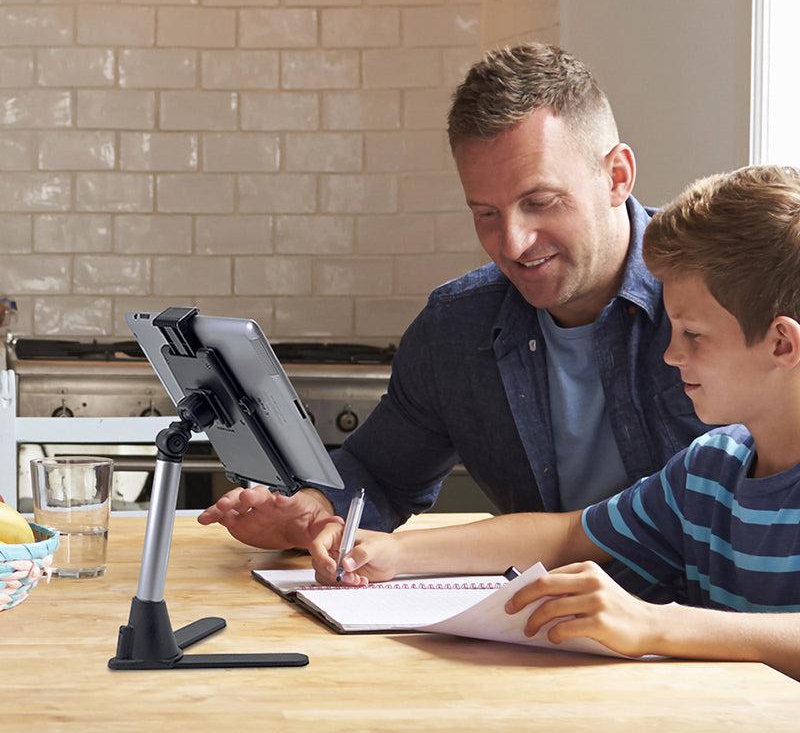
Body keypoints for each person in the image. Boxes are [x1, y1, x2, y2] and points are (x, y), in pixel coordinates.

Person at [198, 42, 710, 552]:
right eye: (486, 213)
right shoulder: (455, 329)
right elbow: (380, 475)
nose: (512, 244)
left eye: (540, 202)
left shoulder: (725, 295)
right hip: (537, 623)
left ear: (617, 176)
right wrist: (315, 510)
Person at [309, 165, 800, 680]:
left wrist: (656, 625)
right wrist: (395, 552)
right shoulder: (708, 471)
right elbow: (567, 536)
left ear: (782, 343)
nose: (672, 354)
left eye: (693, 335)